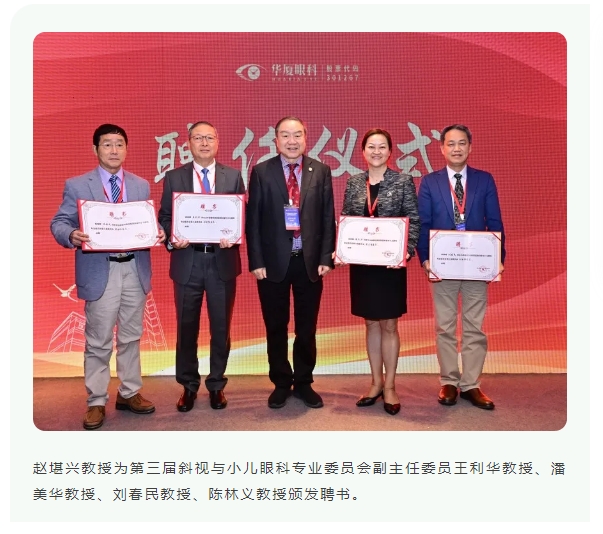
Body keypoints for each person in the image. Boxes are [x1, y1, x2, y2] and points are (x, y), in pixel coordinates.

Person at [50, 123, 165, 430]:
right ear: (96, 149)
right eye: (107, 144)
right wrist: (71, 234)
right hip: (101, 270)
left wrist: (157, 232)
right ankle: (96, 400)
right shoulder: (77, 185)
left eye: (119, 144)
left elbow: (145, 223)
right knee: (99, 340)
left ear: (126, 149)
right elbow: (59, 222)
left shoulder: (140, 185)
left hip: (135, 268)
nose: (114, 150)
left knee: (131, 336)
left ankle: (129, 392)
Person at [246, 116, 336, 409]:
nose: (292, 141)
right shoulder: (262, 171)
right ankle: (281, 382)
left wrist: (326, 256)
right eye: (285, 135)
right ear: (276, 141)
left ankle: (304, 382)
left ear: (306, 138)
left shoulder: (320, 170)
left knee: (306, 327)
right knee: (276, 326)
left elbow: (327, 216)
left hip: (309, 262)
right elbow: (253, 220)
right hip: (272, 263)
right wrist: (256, 260)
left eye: (297, 135)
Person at [158, 121, 245, 412]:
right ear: (189, 144)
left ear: (217, 142)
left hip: (222, 262)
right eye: (198, 138)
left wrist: (234, 235)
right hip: (188, 261)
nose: (204, 143)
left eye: (209, 138)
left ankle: (217, 384)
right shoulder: (174, 177)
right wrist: (173, 237)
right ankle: (188, 385)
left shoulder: (233, 176)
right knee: (186, 327)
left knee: (221, 328)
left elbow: (241, 215)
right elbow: (165, 216)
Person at [417, 124, 505, 410]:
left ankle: (471, 384)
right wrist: (425, 258)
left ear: (470, 147)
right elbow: (423, 223)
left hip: (477, 264)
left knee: (474, 327)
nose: (456, 148)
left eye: (462, 143)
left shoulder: (484, 180)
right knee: (444, 326)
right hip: (443, 266)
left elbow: (495, 221)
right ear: (442, 148)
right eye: (451, 143)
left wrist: (497, 258)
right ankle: (449, 381)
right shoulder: (429, 182)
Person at [339, 129, 420, 416]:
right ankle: (375, 383)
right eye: (371, 147)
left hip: (390, 265)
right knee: (371, 324)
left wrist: (405, 253)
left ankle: (390, 386)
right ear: (363, 151)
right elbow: (346, 221)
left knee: (390, 325)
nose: (376, 151)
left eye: (382, 147)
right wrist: (342, 249)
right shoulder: (353, 182)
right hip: (363, 265)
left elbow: (413, 221)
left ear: (390, 151)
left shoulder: (403, 181)